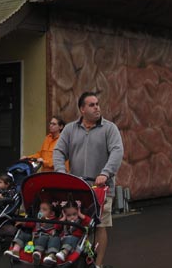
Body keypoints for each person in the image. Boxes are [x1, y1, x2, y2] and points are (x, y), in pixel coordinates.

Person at [53, 92, 124, 268]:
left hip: (101, 188)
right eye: (92, 104)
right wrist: (61, 172)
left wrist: (105, 173)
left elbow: (117, 152)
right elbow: (59, 151)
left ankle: (97, 265)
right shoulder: (70, 129)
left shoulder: (109, 128)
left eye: (97, 104)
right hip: (77, 187)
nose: (97, 107)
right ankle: (74, 257)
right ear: (82, 109)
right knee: (75, 224)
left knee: (100, 226)